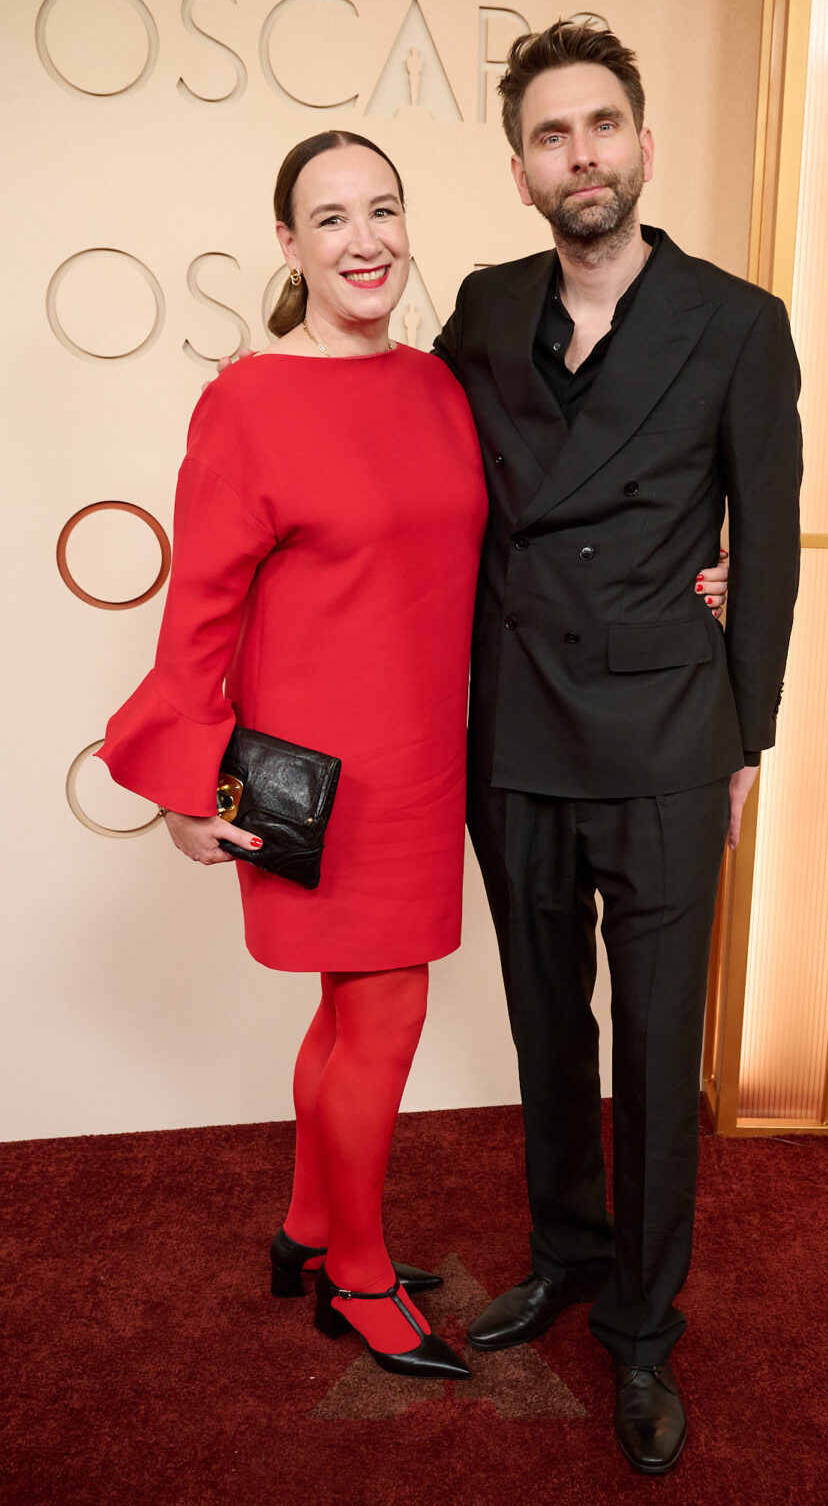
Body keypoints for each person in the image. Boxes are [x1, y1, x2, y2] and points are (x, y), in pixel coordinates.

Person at [433, 22, 802, 1472]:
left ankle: (645, 1331)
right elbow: (431, 481)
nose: (578, 154)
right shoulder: (482, 303)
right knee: (546, 1026)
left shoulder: (736, 318)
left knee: (653, 1050)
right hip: (514, 727)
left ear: (642, 144)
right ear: (521, 165)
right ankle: (567, 1252)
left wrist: (747, 730)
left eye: (600, 127)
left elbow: (764, 540)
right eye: (549, 134)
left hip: (663, 736)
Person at [99, 131, 489, 1383]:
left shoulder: (439, 385)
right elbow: (198, 611)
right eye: (331, 220)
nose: (364, 239)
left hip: (426, 760)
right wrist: (182, 779)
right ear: (288, 246)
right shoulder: (248, 399)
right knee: (384, 1016)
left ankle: (307, 1229)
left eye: (382, 211)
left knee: (350, 1011)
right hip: (317, 777)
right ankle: (356, 1279)